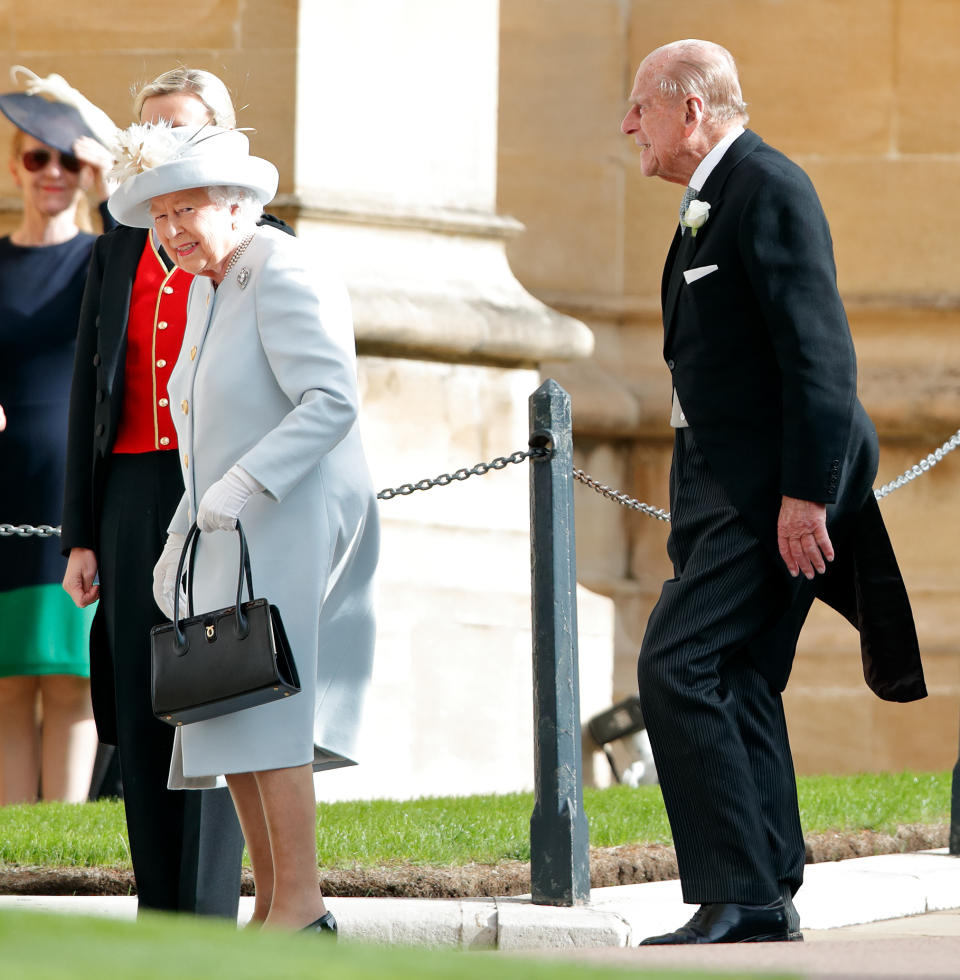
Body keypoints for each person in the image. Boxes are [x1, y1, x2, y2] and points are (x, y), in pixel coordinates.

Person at [620, 39, 927, 945]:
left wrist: (805, 497)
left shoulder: (769, 184)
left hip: (765, 490)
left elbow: (820, 357)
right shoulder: (712, 196)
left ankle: (740, 890)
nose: (628, 124)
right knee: (739, 668)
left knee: (675, 664)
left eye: (641, 105)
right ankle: (768, 884)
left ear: (692, 109)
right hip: (718, 479)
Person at [106, 121, 379, 934]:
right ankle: (271, 906)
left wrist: (244, 484)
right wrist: (183, 528)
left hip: (289, 518)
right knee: (227, 702)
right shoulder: (203, 287)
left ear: (237, 203)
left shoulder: (283, 268)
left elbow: (331, 399)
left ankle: (301, 905)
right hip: (227, 528)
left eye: (186, 209)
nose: (171, 232)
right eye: (159, 216)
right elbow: (201, 423)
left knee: (270, 711)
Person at [61, 70, 249, 916]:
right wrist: (80, 532)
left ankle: (206, 905)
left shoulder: (255, 235)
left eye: (179, 129)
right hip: (130, 494)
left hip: (212, 490)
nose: (159, 145)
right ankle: (159, 910)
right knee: (137, 705)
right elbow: (87, 390)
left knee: (208, 694)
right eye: (149, 131)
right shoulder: (114, 245)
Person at [0, 71, 115, 805]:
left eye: (67, 160)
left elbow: (146, 258)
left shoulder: (101, 258)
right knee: (9, 678)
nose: (52, 173)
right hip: (2, 479)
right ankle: (12, 846)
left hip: (69, 482)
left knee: (69, 675)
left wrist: (106, 167)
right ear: (14, 165)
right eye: (36, 157)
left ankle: (61, 839)